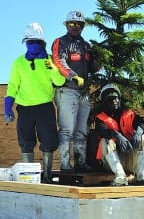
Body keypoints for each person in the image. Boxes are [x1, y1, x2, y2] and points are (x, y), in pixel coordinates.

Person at [3, 23, 65, 183]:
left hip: (44, 107)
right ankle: (28, 176)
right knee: (25, 141)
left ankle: (48, 176)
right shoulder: (19, 63)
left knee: (49, 140)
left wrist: (51, 67)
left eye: (35, 42)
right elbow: (12, 86)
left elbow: (59, 81)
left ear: (42, 43)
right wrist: (8, 106)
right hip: (24, 109)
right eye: (29, 42)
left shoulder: (49, 61)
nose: (32, 45)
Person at [51, 10, 99, 173]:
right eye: (72, 24)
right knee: (67, 130)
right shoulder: (60, 42)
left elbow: (92, 67)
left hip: (84, 93)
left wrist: (99, 60)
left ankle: (81, 163)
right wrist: (73, 76)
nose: (75, 27)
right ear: (67, 25)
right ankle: (65, 165)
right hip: (67, 91)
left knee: (81, 131)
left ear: (83, 26)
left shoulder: (85, 45)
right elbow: (58, 61)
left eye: (79, 24)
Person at [93, 83, 144, 186]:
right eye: (110, 99)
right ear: (105, 102)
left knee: (143, 137)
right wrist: (118, 136)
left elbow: (142, 124)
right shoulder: (100, 118)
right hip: (113, 164)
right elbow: (102, 131)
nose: (114, 101)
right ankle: (120, 176)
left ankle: (141, 176)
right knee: (105, 141)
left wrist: (138, 134)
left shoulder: (129, 113)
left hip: (131, 160)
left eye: (115, 98)